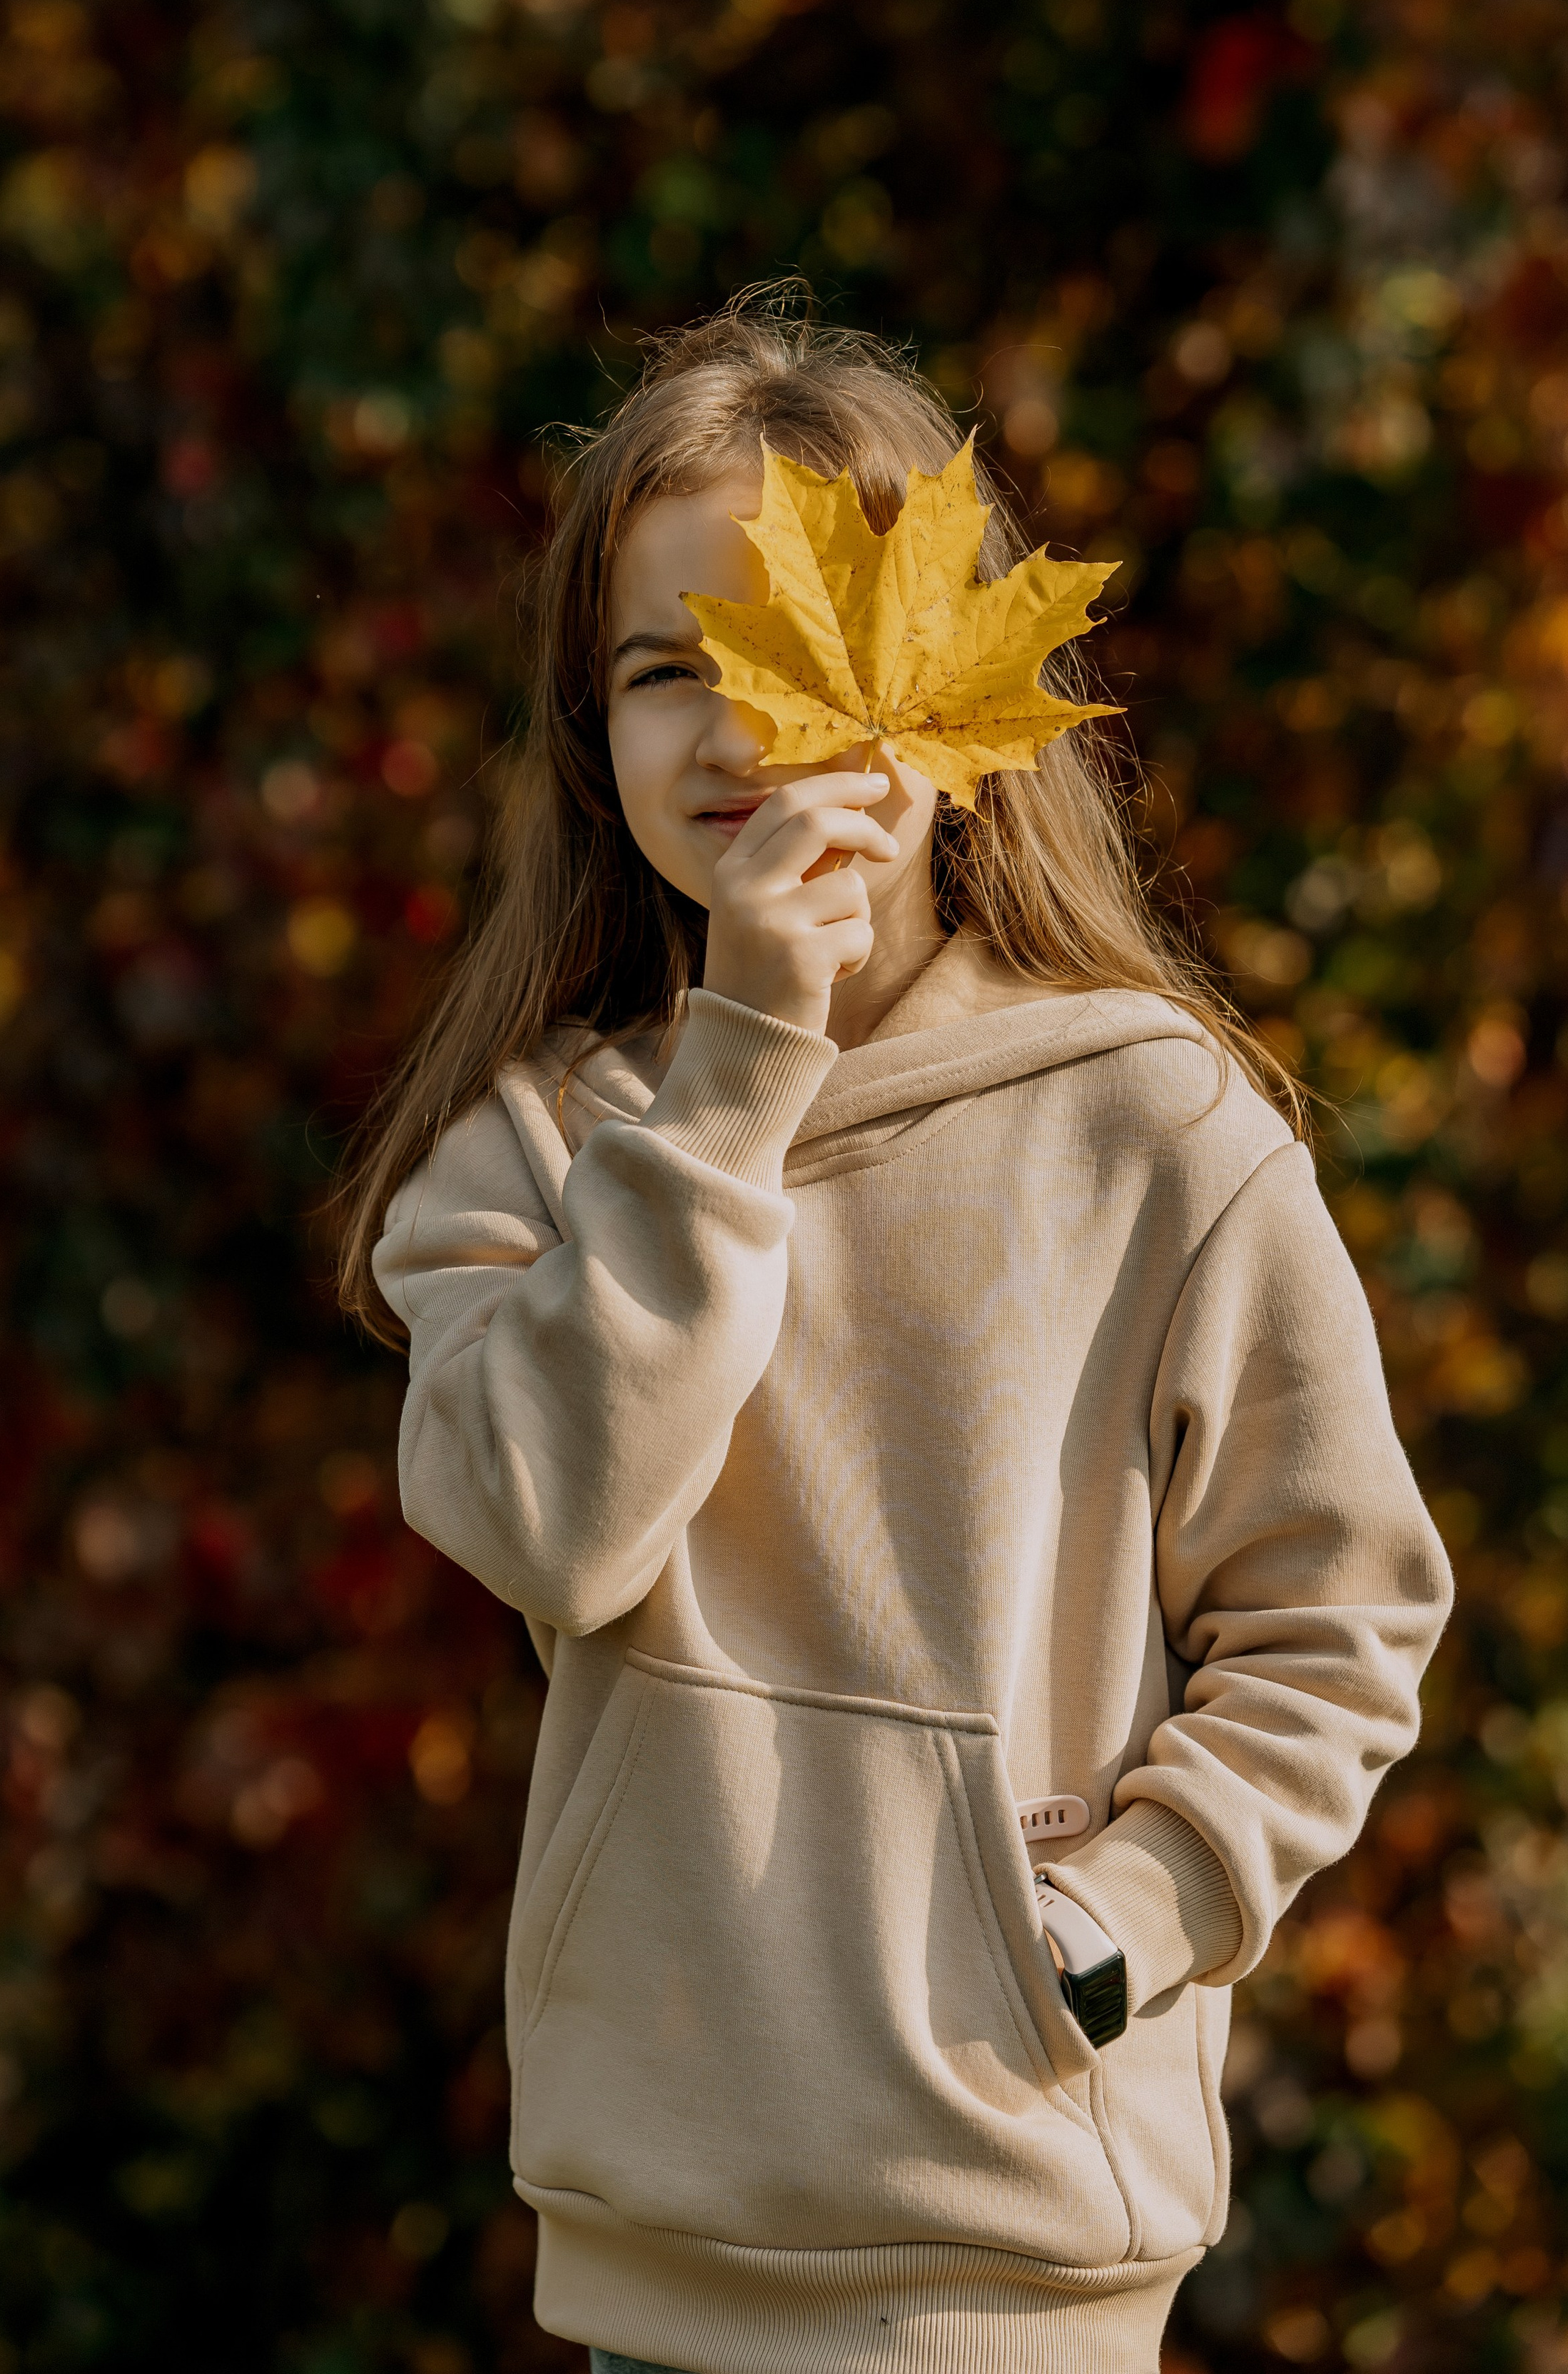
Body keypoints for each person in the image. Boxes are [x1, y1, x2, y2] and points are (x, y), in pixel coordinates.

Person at [337, 298, 1454, 2374]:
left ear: (955, 709)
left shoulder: (1158, 1129)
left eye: (795, 661)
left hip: (1020, 2259)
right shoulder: (529, 1151)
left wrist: (1127, 1920)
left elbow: (1338, 1616)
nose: (741, 735)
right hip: (661, 2271)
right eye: (668, 675)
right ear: (596, 739)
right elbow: (558, 1523)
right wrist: (743, 1062)